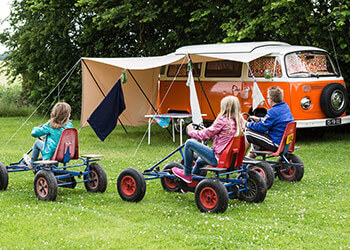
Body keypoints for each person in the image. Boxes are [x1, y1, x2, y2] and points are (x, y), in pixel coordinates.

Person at [172, 96, 243, 183]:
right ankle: (191, 184)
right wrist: (205, 130)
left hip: (218, 159)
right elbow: (222, 137)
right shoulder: (239, 123)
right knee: (199, 161)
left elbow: (205, 135)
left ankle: (186, 174)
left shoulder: (223, 121)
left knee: (189, 143)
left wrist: (191, 131)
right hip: (230, 159)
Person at [244, 86, 294, 158]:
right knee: (258, 138)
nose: (267, 99)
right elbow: (272, 121)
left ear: (270, 100)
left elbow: (261, 128)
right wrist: (259, 119)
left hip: (275, 143)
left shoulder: (272, 112)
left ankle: (240, 161)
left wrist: (247, 123)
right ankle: (248, 160)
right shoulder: (285, 107)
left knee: (247, 132)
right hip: (284, 143)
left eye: (267, 98)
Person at [23, 102, 73, 168]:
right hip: (65, 152)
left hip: (53, 152)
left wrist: (38, 128)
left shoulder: (50, 126)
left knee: (37, 142)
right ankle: (53, 167)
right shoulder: (69, 126)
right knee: (54, 146)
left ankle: (32, 163)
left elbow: (34, 133)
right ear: (67, 115)